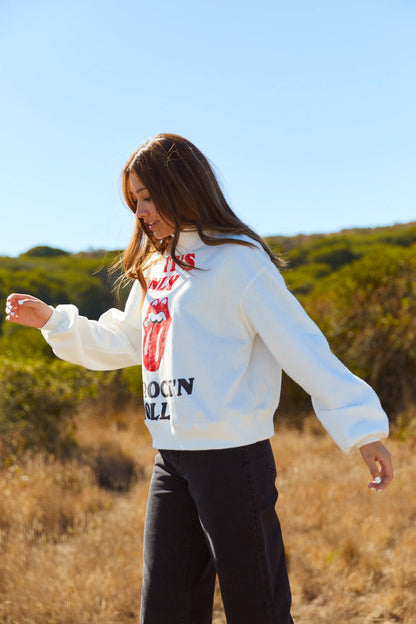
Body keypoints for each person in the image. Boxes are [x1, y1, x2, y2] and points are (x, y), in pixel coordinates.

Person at [5, 133, 393, 624]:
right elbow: (125, 340)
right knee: (166, 611)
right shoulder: (155, 267)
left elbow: (302, 345)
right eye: (134, 200)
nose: (141, 211)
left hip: (234, 463)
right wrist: (55, 323)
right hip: (171, 460)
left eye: (148, 196)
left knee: (257, 610)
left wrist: (363, 429)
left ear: (181, 186)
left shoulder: (238, 260)